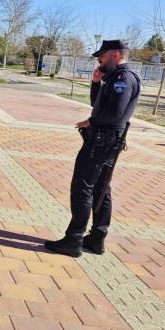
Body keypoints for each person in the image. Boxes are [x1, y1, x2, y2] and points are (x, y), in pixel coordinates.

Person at [45, 39, 141, 257]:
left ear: (115, 55)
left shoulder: (123, 78)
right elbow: (97, 106)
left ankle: (74, 239)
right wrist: (96, 83)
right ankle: (97, 239)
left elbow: (114, 112)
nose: (99, 59)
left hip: (101, 142)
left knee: (83, 188)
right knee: (100, 190)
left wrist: (92, 122)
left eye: (103, 55)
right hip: (107, 142)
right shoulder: (116, 77)